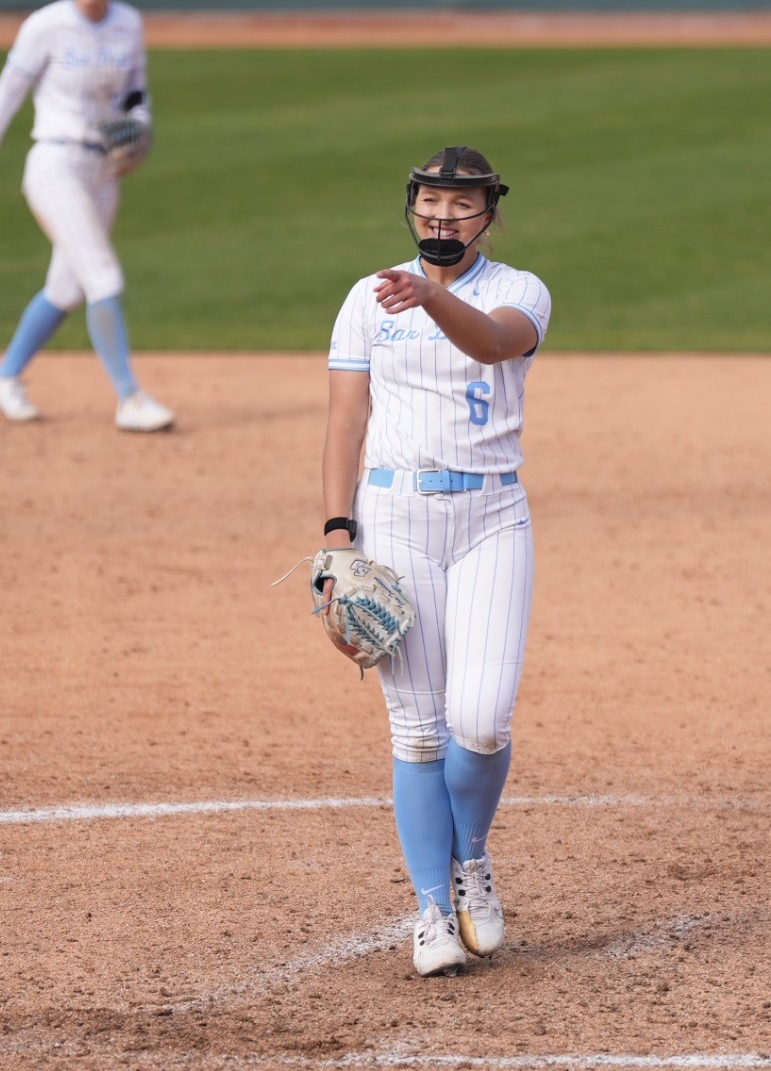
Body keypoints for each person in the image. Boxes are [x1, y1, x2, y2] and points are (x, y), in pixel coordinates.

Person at [321, 146, 552, 976]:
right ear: (411, 206)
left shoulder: (520, 291)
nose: (442, 219)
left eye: (460, 206)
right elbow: (347, 419)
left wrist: (428, 297)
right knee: (417, 731)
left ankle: (473, 860)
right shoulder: (366, 297)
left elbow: (492, 345)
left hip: (492, 512)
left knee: (482, 718)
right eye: (429, 204)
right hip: (393, 514)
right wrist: (337, 534)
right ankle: (431, 909)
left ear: (489, 212)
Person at [0, 0, 175, 433]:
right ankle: (130, 398)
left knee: (67, 288)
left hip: (104, 171)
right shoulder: (45, 26)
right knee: (103, 277)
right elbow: (5, 98)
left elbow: (135, 91)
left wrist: (140, 127)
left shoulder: (128, 23)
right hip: (56, 164)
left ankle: (3, 377)